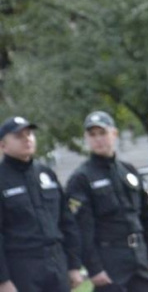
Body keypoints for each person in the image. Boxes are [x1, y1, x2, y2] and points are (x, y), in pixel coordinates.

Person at [66, 111, 148, 291]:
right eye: (92, 135)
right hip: (109, 262)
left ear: (114, 134)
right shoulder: (81, 178)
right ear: (86, 138)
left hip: (140, 259)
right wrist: (94, 268)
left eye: (102, 133)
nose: (98, 139)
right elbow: (82, 229)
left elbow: (147, 214)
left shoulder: (128, 170)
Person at [0, 116, 83, 292]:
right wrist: (3, 280)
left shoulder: (46, 174)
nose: (27, 139)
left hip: (56, 263)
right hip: (21, 267)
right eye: (18, 136)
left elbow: (66, 222)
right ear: (2, 145)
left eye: (29, 133)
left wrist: (74, 265)